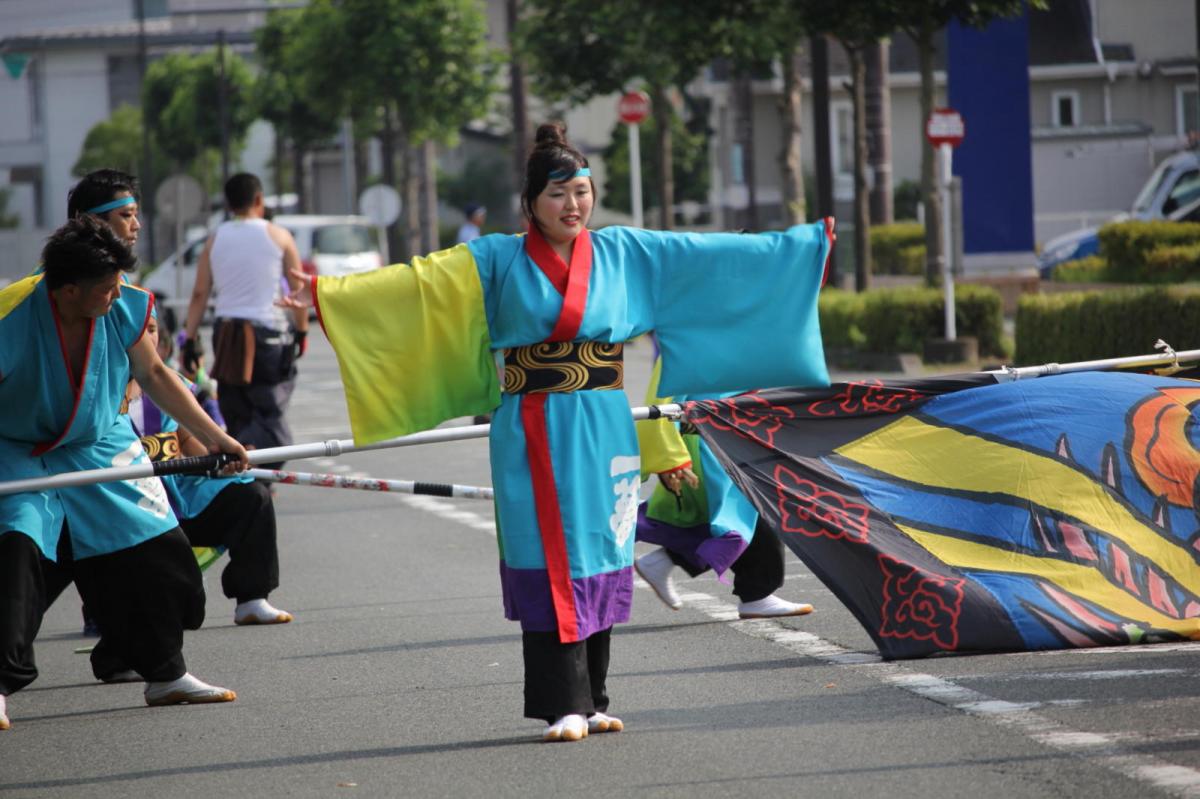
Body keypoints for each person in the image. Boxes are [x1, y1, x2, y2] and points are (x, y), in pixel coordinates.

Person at [281, 122, 833, 743]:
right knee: (548, 554)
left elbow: (707, 259)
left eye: (582, 192)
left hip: (603, 424)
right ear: (530, 203)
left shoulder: (626, 251)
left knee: (601, 549)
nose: (573, 206)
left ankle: (594, 699)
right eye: (557, 195)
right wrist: (329, 293)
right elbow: (416, 283)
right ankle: (560, 703)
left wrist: (796, 249)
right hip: (531, 426)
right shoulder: (496, 257)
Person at [0, 215, 250, 730]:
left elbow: (155, 373)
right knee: (18, 546)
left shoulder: (124, 308)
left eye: (119, 284)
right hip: (17, 446)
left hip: (98, 440)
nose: (117, 294)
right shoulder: (12, 319)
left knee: (158, 550)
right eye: (107, 288)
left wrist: (219, 437)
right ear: (69, 290)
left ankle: (165, 674)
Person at [634, 342, 814, 618]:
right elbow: (661, 402)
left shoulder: (727, 330)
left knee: (719, 519)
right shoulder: (692, 338)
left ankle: (662, 561)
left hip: (728, 437)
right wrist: (670, 457)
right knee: (746, 514)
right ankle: (757, 593)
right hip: (707, 444)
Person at [182, 172, 309, 470]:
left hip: (226, 335)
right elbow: (298, 289)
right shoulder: (279, 236)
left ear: (227, 204)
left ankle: (244, 470)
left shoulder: (215, 239)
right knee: (269, 408)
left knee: (235, 408)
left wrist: (189, 339)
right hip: (268, 334)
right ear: (259, 200)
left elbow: (200, 293)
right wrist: (302, 330)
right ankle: (262, 465)